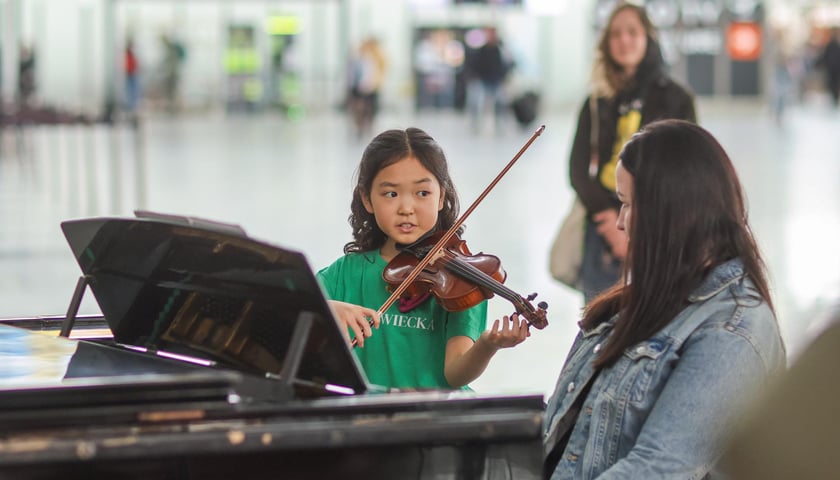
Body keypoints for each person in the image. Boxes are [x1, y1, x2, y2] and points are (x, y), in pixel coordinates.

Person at [543, 119, 786, 479]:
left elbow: (658, 468)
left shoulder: (731, 332)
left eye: (627, 204)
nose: (621, 222)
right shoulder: (637, 301)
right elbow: (566, 431)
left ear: (671, 213)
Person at [316, 127, 530, 390]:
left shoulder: (462, 281)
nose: (407, 208)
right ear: (367, 199)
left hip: (435, 417)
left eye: (422, 193)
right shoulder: (345, 273)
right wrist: (329, 309)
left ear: (441, 196)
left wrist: (487, 345)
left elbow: (455, 374)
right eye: (391, 194)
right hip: (367, 414)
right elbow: (287, 311)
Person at [567, 3, 696, 303]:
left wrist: (639, 220)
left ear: (648, 38)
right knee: (601, 322)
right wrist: (610, 224)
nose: (624, 41)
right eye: (615, 34)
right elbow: (577, 170)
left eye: (632, 32)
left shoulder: (676, 98)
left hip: (658, 225)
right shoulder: (597, 100)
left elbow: (685, 168)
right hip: (603, 227)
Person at [465, 27, 514, 134]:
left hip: (497, 81)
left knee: (500, 104)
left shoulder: (501, 49)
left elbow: (508, 64)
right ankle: (475, 125)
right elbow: (474, 65)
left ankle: (500, 125)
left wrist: (504, 77)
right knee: (477, 103)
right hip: (483, 81)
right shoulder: (481, 50)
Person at [347, 37, 388, 138]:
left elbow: (377, 72)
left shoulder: (376, 58)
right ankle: (360, 125)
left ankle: (367, 124)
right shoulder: (357, 59)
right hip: (357, 87)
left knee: (369, 107)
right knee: (359, 107)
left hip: (371, 86)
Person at [816, 27, 840, 108]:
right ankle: (834, 98)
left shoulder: (833, 45)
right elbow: (825, 56)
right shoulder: (832, 45)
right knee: (833, 83)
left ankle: (835, 98)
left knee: (833, 83)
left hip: (834, 68)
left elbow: (824, 56)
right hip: (834, 68)